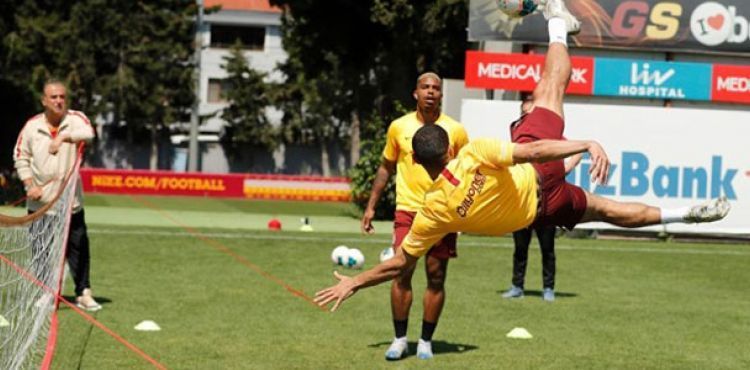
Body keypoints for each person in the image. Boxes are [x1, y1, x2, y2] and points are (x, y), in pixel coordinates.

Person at [314, 0, 730, 316]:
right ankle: (556, 22)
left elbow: (401, 260)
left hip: (538, 210)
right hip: (539, 173)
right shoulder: (473, 153)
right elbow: (531, 150)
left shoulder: (433, 212)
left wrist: (356, 282)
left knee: (609, 210)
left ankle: (683, 214)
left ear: (421, 163)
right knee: (551, 87)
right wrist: (583, 144)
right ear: (448, 144)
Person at [361, 72, 469, 360]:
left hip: (443, 212)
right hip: (408, 209)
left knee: (436, 276)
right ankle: (399, 339)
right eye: (425, 87)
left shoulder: (455, 131)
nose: (431, 92)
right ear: (415, 93)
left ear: (441, 95)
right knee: (401, 271)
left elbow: (467, 171)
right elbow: (386, 167)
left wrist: (465, 212)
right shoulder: (399, 127)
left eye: (436, 88)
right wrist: (371, 205)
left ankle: (425, 341)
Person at [13, 79, 101, 311]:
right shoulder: (32, 126)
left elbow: (89, 133)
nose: (59, 101)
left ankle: (83, 292)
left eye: (62, 96)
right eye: (53, 97)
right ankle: (47, 293)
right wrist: (29, 184)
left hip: (70, 202)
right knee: (41, 251)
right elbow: (20, 156)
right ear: (44, 100)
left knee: (79, 247)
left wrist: (62, 138)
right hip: (40, 203)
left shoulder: (76, 119)